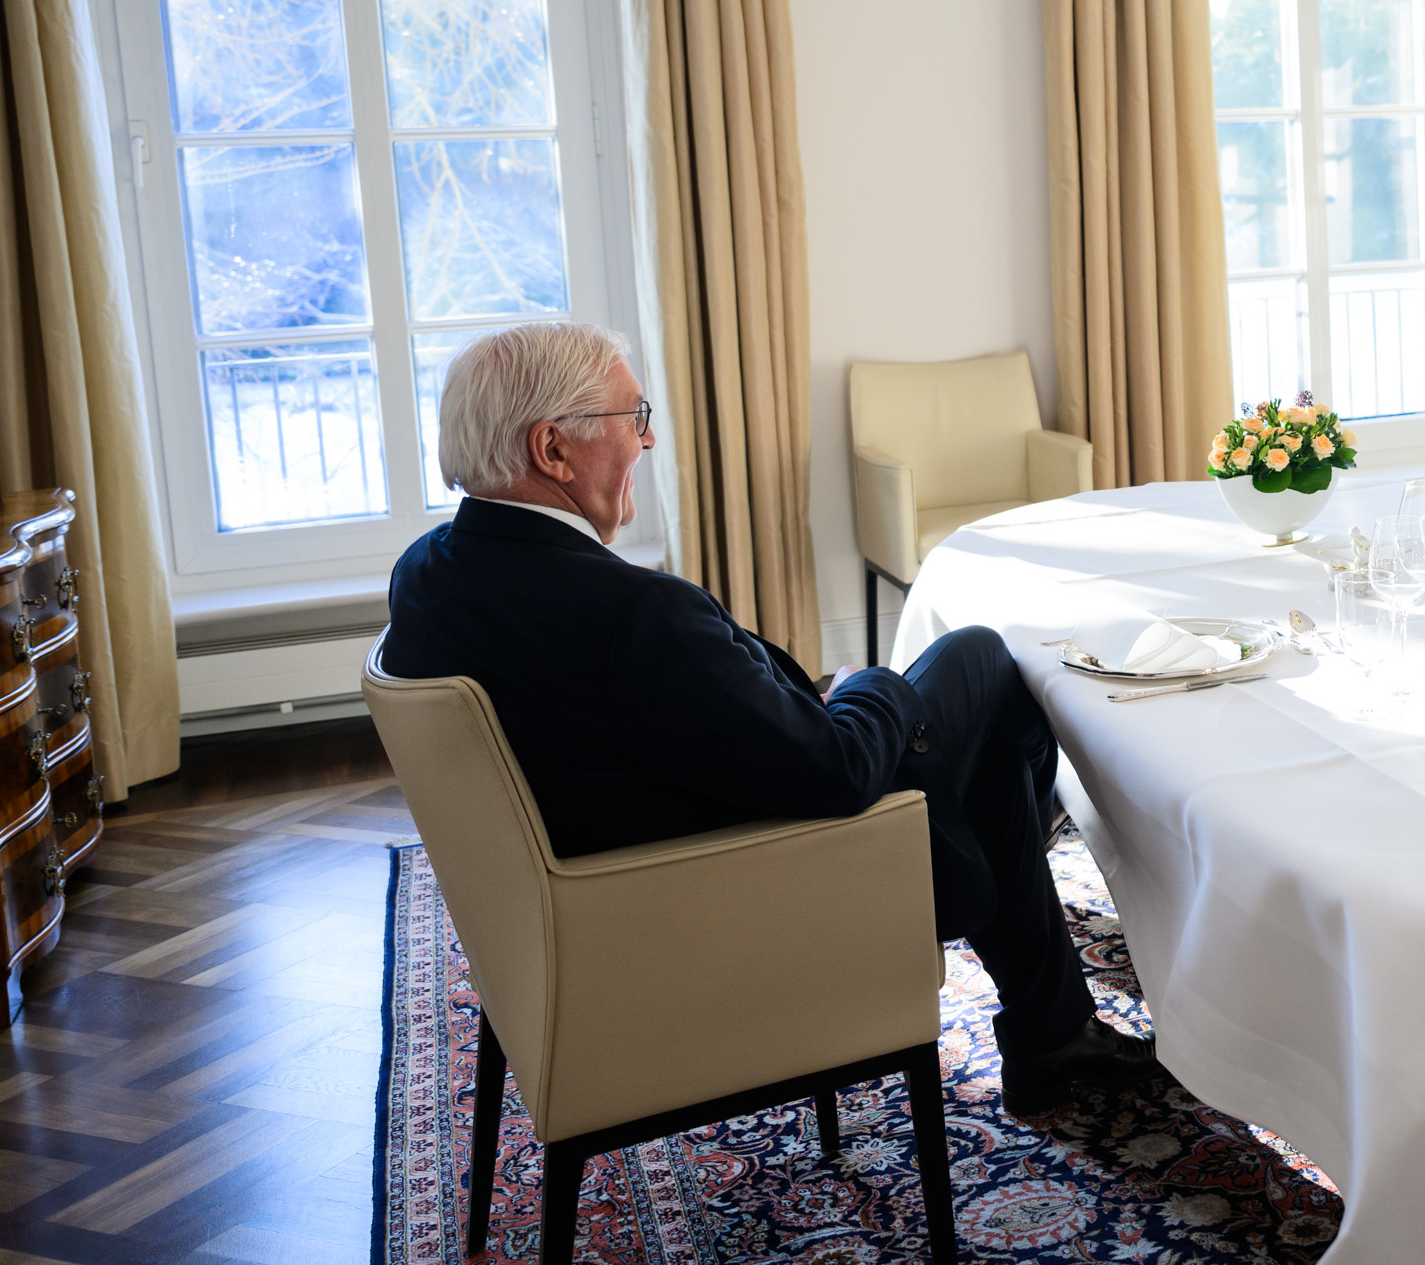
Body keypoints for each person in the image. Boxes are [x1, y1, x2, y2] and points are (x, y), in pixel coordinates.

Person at [381, 321, 1157, 1117]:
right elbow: (836, 771)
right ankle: (1033, 943)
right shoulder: (630, 613)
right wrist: (867, 683)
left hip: (618, 875)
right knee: (982, 660)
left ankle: (1049, 1015)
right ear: (553, 449)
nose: (648, 441)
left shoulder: (428, 572)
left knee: (987, 748)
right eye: (633, 416)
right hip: (742, 887)